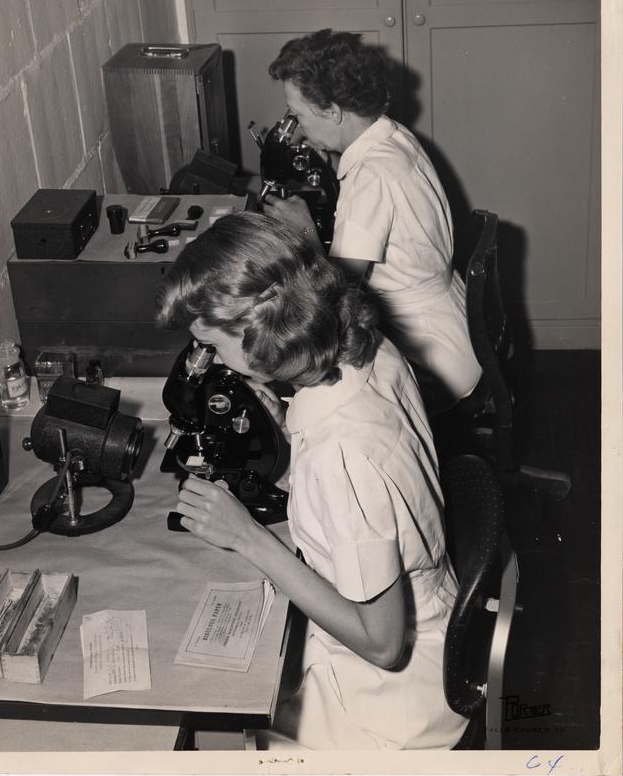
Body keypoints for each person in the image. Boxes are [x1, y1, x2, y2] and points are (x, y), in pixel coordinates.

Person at [154, 211, 469, 750]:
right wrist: (287, 425)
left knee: (218, 724)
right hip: (433, 623)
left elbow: (383, 644)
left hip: (388, 707)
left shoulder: (337, 457)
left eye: (216, 347)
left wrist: (246, 537)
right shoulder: (369, 347)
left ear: (260, 339)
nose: (211, 360)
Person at [263, 28, 482, 412]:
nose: (295, 125)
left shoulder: (371, 176)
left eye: (297, 114)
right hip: (454, 322)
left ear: (333, 111)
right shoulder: (393, 136)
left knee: (299, 368)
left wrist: (303, 229)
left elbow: (339, 292)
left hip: (429, 354)